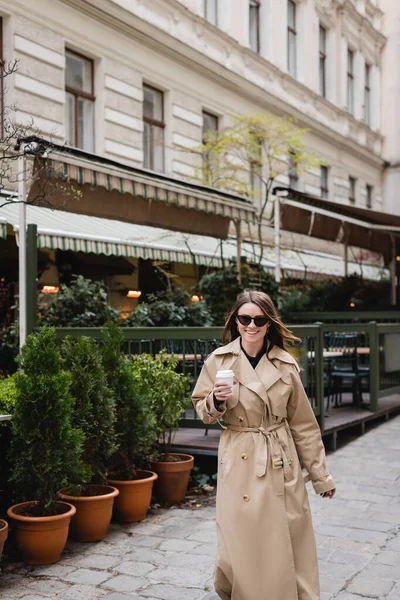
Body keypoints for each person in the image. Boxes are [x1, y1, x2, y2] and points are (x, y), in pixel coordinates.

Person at [192, 290, 336, 600]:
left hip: (278, 458)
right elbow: (201, 410)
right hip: (238, 457)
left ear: (269, 323)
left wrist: (320, 475)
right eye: (245, 318)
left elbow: (303, 424)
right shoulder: (219, 361)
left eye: (259, 319)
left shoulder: (284, 364)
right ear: (236, 321)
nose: (251, 325)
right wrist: (216, 400)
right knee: (239, 538)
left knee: (287, 536)